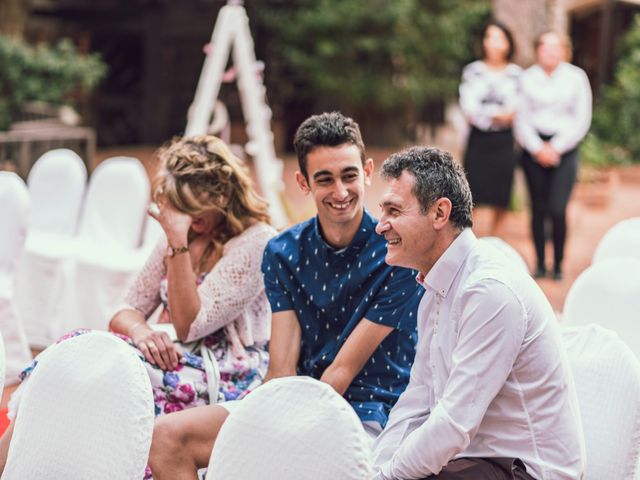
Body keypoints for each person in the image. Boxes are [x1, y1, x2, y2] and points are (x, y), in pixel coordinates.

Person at [146, 112, 424, 479]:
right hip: (295, 398)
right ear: (303, 182)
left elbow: (341, 372)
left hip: (369, 411)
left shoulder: (397, 253)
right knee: (167, 437)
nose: (340, 192)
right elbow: (280, 367)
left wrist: (275, 435)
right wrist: (260, 418)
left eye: (349, 175)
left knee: (284, 462)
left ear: (368, 172)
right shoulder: (284, 251)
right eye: (324, 179)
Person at [0, 135, 276, 476]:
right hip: (170, 356)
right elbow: (124, 309)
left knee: (102, 377)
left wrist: (177, 243)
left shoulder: (256, 240)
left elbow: (192, 324)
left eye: (192, 207)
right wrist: (142, 331)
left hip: (224, 369)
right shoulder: (182, 234)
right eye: (179, 206)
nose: (186, 217)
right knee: (67, 359)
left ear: (221, 197)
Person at [371, 146, 585, 480]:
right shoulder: (434, 290)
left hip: (526, 471)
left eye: (394, 211)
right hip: (472, 463)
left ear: (440, 213)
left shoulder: (489, 291)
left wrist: (388, 477)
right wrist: (375, 469)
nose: (380, 226)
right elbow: (417, 400)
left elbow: (453, 424)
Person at [515, 31, 592, 280]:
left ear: (564, 50)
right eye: (545, 47)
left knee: (558, 209)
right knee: (537, 208)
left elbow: (581, 117)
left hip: (565, 148)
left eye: (556, 47)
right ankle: (539, 263)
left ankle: (558, 263)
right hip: (533, 148)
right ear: (538, 50)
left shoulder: (575, 77)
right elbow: (521, 117)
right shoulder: (526, 78)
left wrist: (556, 147)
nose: (550, 52)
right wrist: (537, 148)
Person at [459, 20, 521, 237]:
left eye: (499, 38)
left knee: (501, 195)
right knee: (471, 192)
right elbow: (470, 109)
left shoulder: (516, 74)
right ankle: (468, 241)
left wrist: (488, 113)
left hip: (504, 141)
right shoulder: (472, 71)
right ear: (483, 42)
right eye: (489, 37)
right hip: (478, 140)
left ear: (508, 43)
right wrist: (498, 115)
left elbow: (515, 110)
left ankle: (495, 240)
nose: (494, 43)